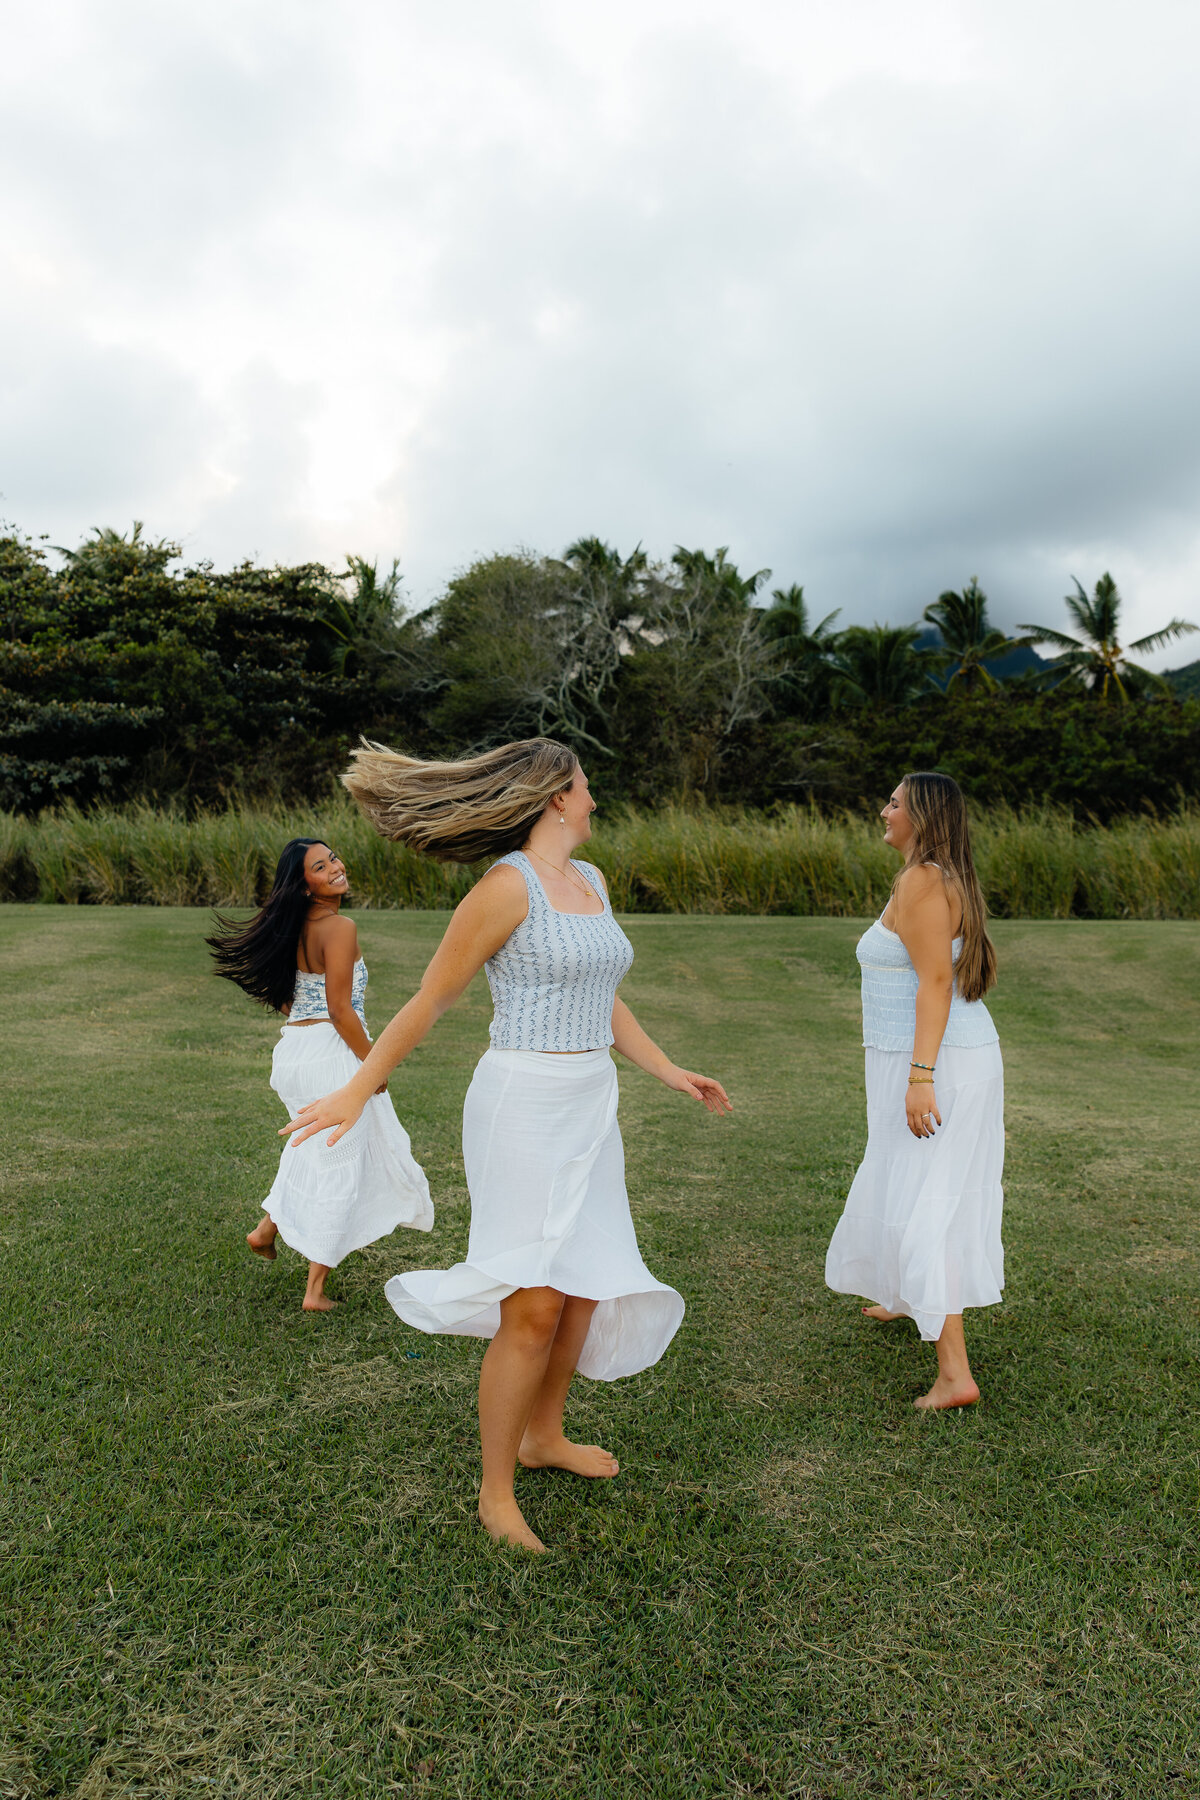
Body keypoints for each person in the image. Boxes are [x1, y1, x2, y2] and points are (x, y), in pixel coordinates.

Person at [281, 739, 731, 1550]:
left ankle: (542, 1437)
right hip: (523, 1104)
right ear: (557, 797)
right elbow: (430, 998)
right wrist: (356, 1086)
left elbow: (605, 994)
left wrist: (667, 1068)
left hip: (591, 1100)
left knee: (585, 1285)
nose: (595, 798)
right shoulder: (504, 888)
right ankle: (495, 1491)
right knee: (532, 1303)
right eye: (587, 786)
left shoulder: (588, 882)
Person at [825, 772, 1004, 1410]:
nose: (883, 810)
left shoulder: (925, 879)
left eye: (895, 803)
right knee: (907, 1177)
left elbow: (934, 985)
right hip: (925, 1053)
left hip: (938, 1060)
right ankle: (907, 1298)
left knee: (930, 1198)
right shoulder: (928, 876)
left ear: (922, 817)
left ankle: (955, 1375)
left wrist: (920, 1078)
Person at [207, 838, 433, 1311]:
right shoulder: (340, 927)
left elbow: (293, 998)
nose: (335, 866)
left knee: (311, 1147)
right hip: (332, 1053)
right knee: (341, 1162)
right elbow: (341, 1010)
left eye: (332, 858)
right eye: (320, 865)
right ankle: (314, 1290)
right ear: (305, 886)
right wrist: (376, 1066)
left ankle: (266, 1229)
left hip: (295, 1052)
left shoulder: (289, 928)